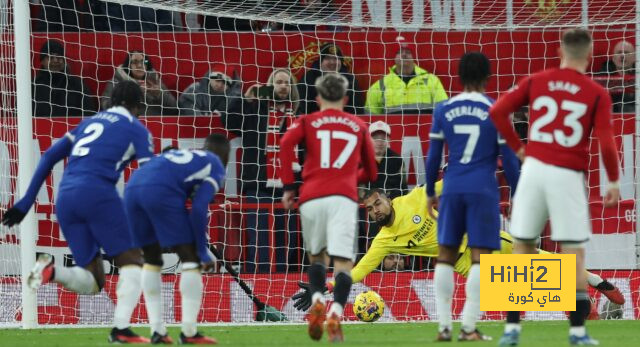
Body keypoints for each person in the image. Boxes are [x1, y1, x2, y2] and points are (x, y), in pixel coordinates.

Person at [290, 186, 625, 314]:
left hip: (478, 238)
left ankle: (594, 281)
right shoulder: (384, 240)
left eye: (378, 202)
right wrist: (328, 286)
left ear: (387, 198)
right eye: (371, 209)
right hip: (465, 264)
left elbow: (447, 182)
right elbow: (360, 270)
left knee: (537, 262)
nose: (377, 210)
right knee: (516, 290)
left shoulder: (416, 198)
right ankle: (578, 304)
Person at [490, 29, 621, 346]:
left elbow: (497, 111)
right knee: (573, 253)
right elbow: (605, 141)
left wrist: (518, 147)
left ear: (560, 51)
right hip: (567, 174)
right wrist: (614, 180)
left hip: (534, 169)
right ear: (589, 56)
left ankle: (511, 331)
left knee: (521, 248)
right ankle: (577, 333)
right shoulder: (596, 92)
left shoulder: (538, 80)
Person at [1, 81, 154, 344]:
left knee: (94, 282)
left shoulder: (87, 124)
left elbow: (49, 156)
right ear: (137, 106)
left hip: (66, 198)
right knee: (133, 261)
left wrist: (26, 202)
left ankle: (52, 271)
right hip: (98, 193)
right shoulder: (136, 130)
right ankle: (120, 329)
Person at [424, 52, 520, 341]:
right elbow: (511, 160)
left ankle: (443, 326)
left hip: (452, 187)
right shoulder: (496, 109)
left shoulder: (443, 108)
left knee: (446, 255)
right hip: (483, 189)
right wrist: (517, 194)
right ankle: (468, 327)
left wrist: (430, 190)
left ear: (459, 77)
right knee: (481, 257)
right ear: (488, 78)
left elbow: (432, 157)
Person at [279, 73, 378, 342]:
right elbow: (371, 170)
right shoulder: (358, 125)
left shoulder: (307, 120)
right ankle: (335, 312)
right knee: (344, 264)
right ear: (346, 99)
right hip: (343, 198)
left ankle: (318, 300)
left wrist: (289, 186)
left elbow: (286, 143)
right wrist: (347, 179)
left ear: (318, 98)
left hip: (311, 196)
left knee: (317, 258)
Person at [124, 134, 229, 344]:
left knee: (152, 259)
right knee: (190, 259)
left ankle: (157, 331)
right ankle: (189, 332)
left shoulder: (187, 158)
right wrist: (201, 251)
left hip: (132, 188)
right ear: (226, 155)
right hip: (160, 191)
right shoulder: (215, 164)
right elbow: (199, 209)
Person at [223, 68, 301, 273]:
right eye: (279, 82)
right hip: (258, 187)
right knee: (260, 244)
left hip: (288, 190)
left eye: (287, 82)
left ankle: (282, 285)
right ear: (270, 86)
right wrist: (246, 99)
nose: (283, 86)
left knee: (288, 242)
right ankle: (258, 286)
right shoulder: (256, 110)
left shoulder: (299, 116)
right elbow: (229, 121)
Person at [365, 39, 448, 115]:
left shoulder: (431, 80)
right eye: (399, 52)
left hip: (425, 129)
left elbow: (444, 109)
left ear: (414, 57)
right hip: (393, 130)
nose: (404, 55)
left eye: (408, 52)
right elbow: (370, 116)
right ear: (394, 58)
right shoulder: (381, 85)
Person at [33, 39, 97, 117]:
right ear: (42, 61)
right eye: (51, 57)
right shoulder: (33, 87)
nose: (55, 60)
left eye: (59, 57)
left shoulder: (78, 85)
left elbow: (89, 113)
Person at [102, 51, 178, 116]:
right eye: (135, 62)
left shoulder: (155, 81)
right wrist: (131, 94)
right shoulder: (116, 82)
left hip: (158, 124)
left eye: (144, 62)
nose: (140, 65)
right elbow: (105, 107)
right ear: (128, 65)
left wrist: (159, 94)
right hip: (128, 122)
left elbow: (174, 108)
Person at [298, 43, 363, 115]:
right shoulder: (308, 78)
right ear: (320, 61)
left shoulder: (350, 80)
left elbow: (357, 109)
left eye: (336, 58)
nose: (332, 62)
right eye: (327, 58)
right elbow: (302, 108)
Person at [366, 120, 407, 199]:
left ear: (388, 140)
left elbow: (403, 188)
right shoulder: (361, 159)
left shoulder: (397, 160)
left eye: (383, 138)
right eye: (375, 138)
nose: (379, 142)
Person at [598, 40, 635, 112]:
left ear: (634, 58)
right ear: (613, 58)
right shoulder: (602, 76)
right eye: (619, 52)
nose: (622, 56)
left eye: (626, 52)